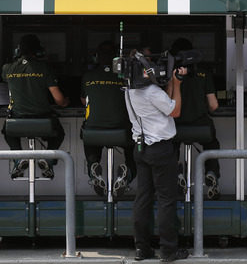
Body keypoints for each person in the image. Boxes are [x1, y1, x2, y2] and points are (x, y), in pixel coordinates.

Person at [124, 52, 188, 262]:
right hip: (160, 149)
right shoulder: (151, 92)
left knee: (143, 198)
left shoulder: (129, 91)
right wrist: (177, 84)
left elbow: (165, 103)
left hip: (141, 148)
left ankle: (142, 248)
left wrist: (169, 82)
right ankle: (168, 251)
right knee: (166, 200)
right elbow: (175, 110)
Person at [1, 34, 69, 179]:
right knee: (59, 133)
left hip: (17, 120)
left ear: (18, 50)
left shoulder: (7, 68)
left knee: (8, 132)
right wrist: (66, 102)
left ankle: (19, 158)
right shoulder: (44, 68)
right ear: (38, 50)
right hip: (42, 119)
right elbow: (59, 100)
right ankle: (48, 160)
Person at [80, 41, 136, 197]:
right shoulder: (125, 75)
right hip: (121, 130)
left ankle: (94, 169)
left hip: (93, 130)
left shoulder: (88, 76)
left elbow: (84, 101)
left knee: (90, 143)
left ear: (97, 57)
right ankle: (127, 174)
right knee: (133, 153)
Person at [170, 38, 221, 200]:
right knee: (212, 143)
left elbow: (165, 103)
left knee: (170, 145)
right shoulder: (203, 73)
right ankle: (212, 173)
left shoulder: (171, 73)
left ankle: (176, 173)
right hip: (201, 127)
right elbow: (213, 105)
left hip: (176, 127)